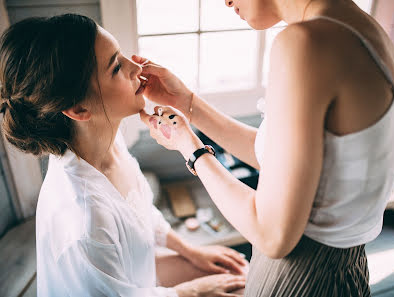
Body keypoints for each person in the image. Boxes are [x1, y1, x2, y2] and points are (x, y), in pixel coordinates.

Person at [135, 0, 394, 296]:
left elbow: (272, 235)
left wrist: (189, 147)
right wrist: (187, 103)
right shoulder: (365, 33)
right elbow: (280, 157)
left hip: (301, 277)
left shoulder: (306, 42)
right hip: (346, 271)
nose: (225, 1)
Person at [0, 14, 247, 297]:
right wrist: (191, 291)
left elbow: (140, 212)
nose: (135, 66)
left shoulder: (108, 143)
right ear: (79, 110)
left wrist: (190, 251)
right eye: (116, 66)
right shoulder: (84, 218)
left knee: (241, 275)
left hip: (137, 274)